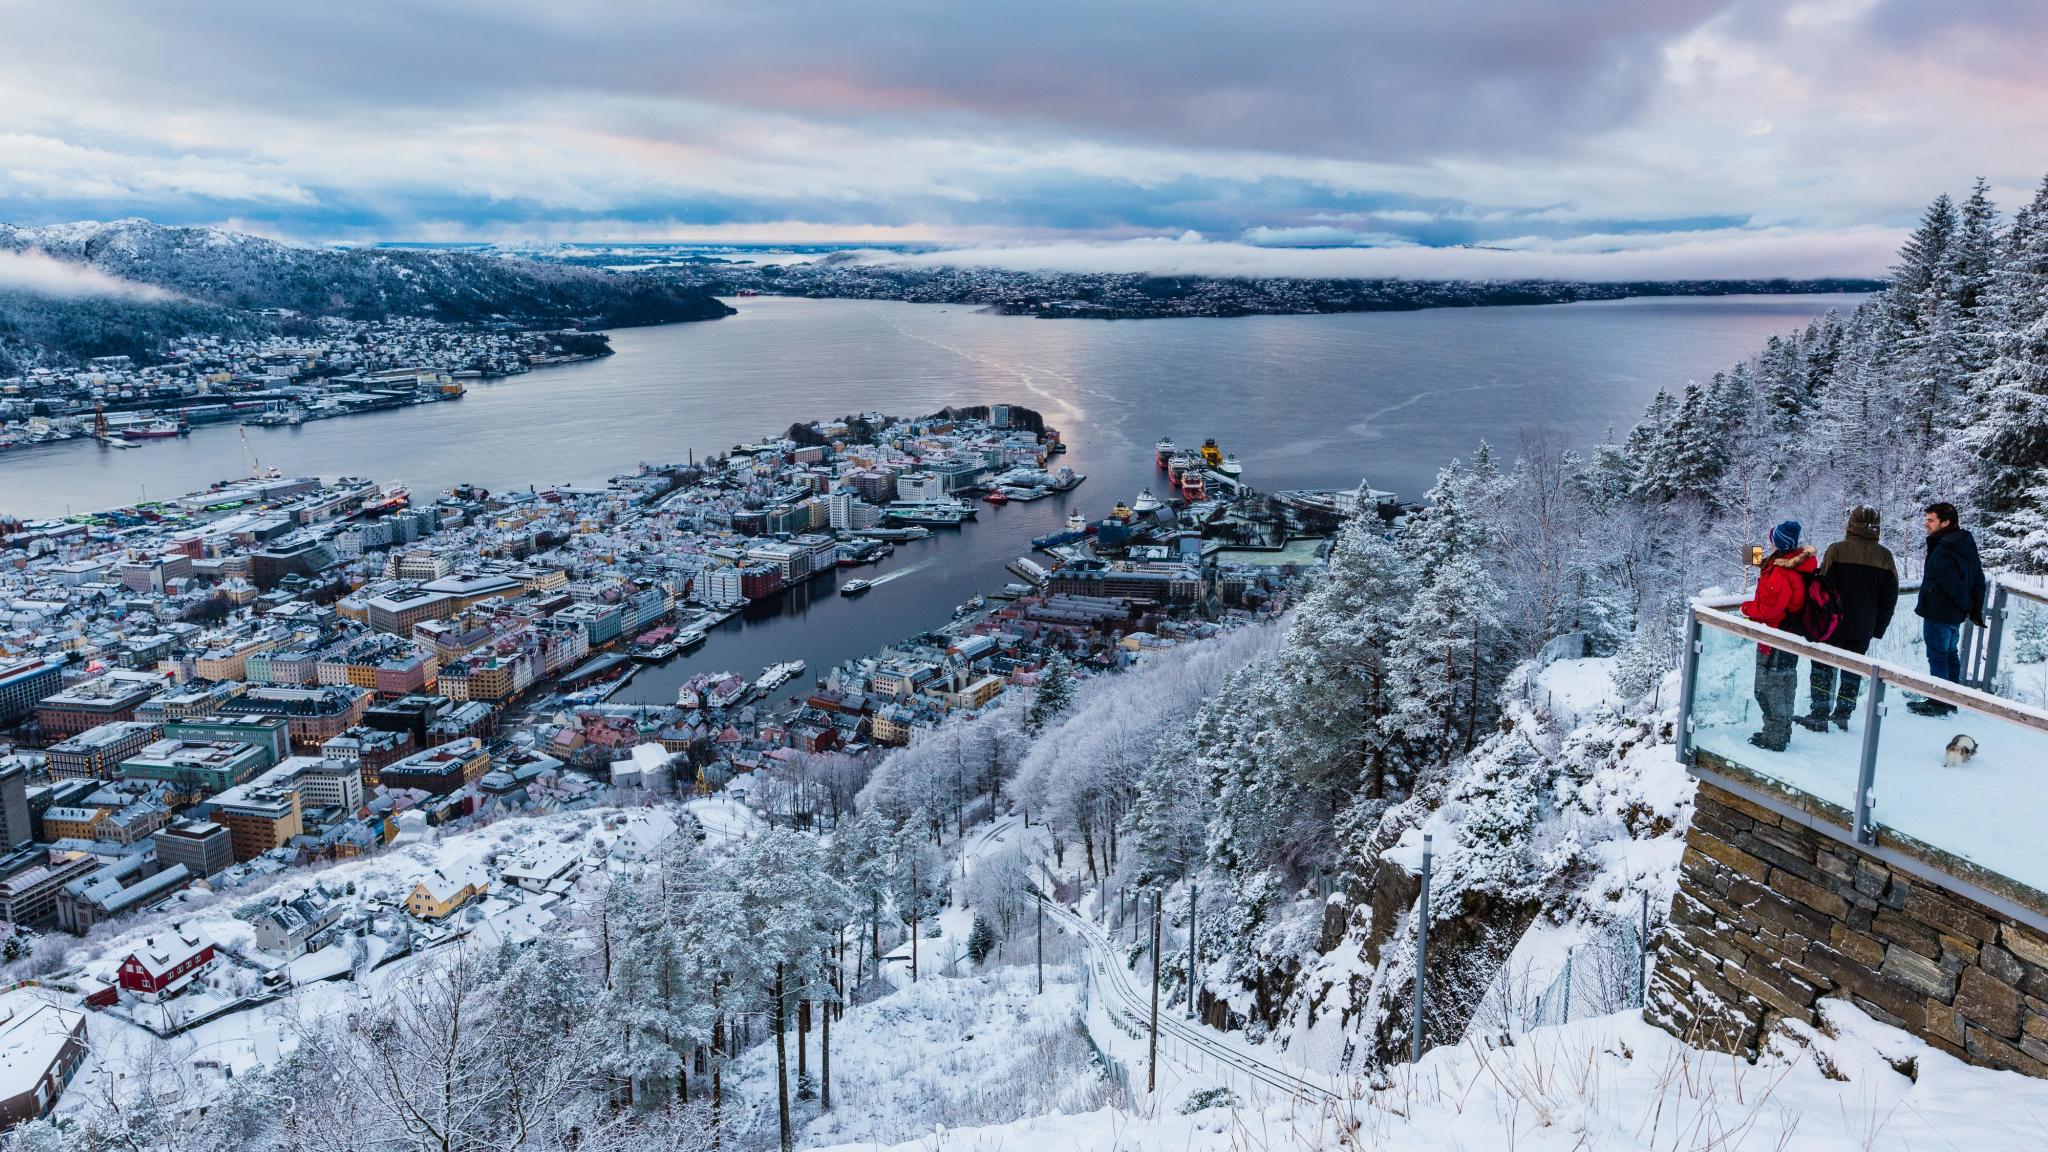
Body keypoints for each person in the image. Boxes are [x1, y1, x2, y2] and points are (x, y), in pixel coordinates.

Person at [1797, 506, 1899, 732]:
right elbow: (1890, 596)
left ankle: (1819, 714)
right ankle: (1842, 714)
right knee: (1853, 669)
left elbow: (1821, 588)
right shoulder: (1885, 556)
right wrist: (1877, 627)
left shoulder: (1836, 550)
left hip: (1833, 623)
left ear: (1851, 523)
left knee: (1822, 666)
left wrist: (1814, 622)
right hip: (1864, 626)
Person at [1742, 519, 1816, 751]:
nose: (1769, 543)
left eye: (1772, 540)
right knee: (1785, 685)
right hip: (1791, 636)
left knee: (1766, 689)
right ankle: (1780, 733)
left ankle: (1773, 739)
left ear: (1780, 543)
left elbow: (1769, 609)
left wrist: (1747, 608)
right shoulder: (1799, 563)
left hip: (1775, 638)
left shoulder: (1780, 572)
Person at [1910, 502, 1987, 717]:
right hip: (1953, 614)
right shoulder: (1964, 542)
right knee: (1950, 654)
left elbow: (1950, 583)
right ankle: (1950, 699)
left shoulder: (1944, 548)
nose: (1926, 524)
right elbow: (1978, 578)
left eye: (1931, 520)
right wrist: (1972, 607)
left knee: (1938, 656)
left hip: (1939, 611)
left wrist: (1967, 605)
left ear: (1946, 522)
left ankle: (1938, 702)